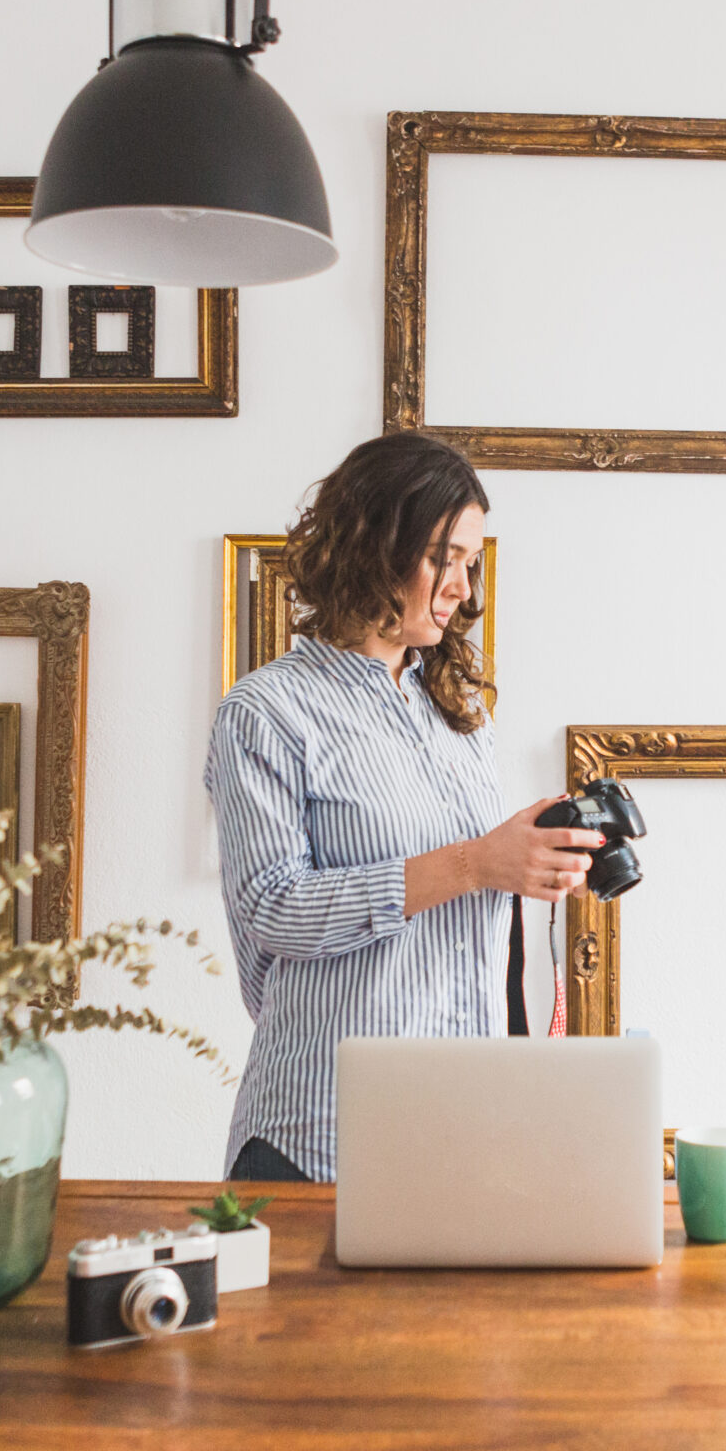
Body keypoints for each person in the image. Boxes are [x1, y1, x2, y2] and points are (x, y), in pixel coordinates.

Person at [204, 433, 603, 1182]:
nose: (461, 587)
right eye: (442, 557)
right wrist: (476, 860)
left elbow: (468, 910)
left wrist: (532, 859)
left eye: (471, 563)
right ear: (372, 545)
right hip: (321, 1135)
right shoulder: (265, 712)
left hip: (461, 1135)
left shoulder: (456, 714)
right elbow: (272, 909)